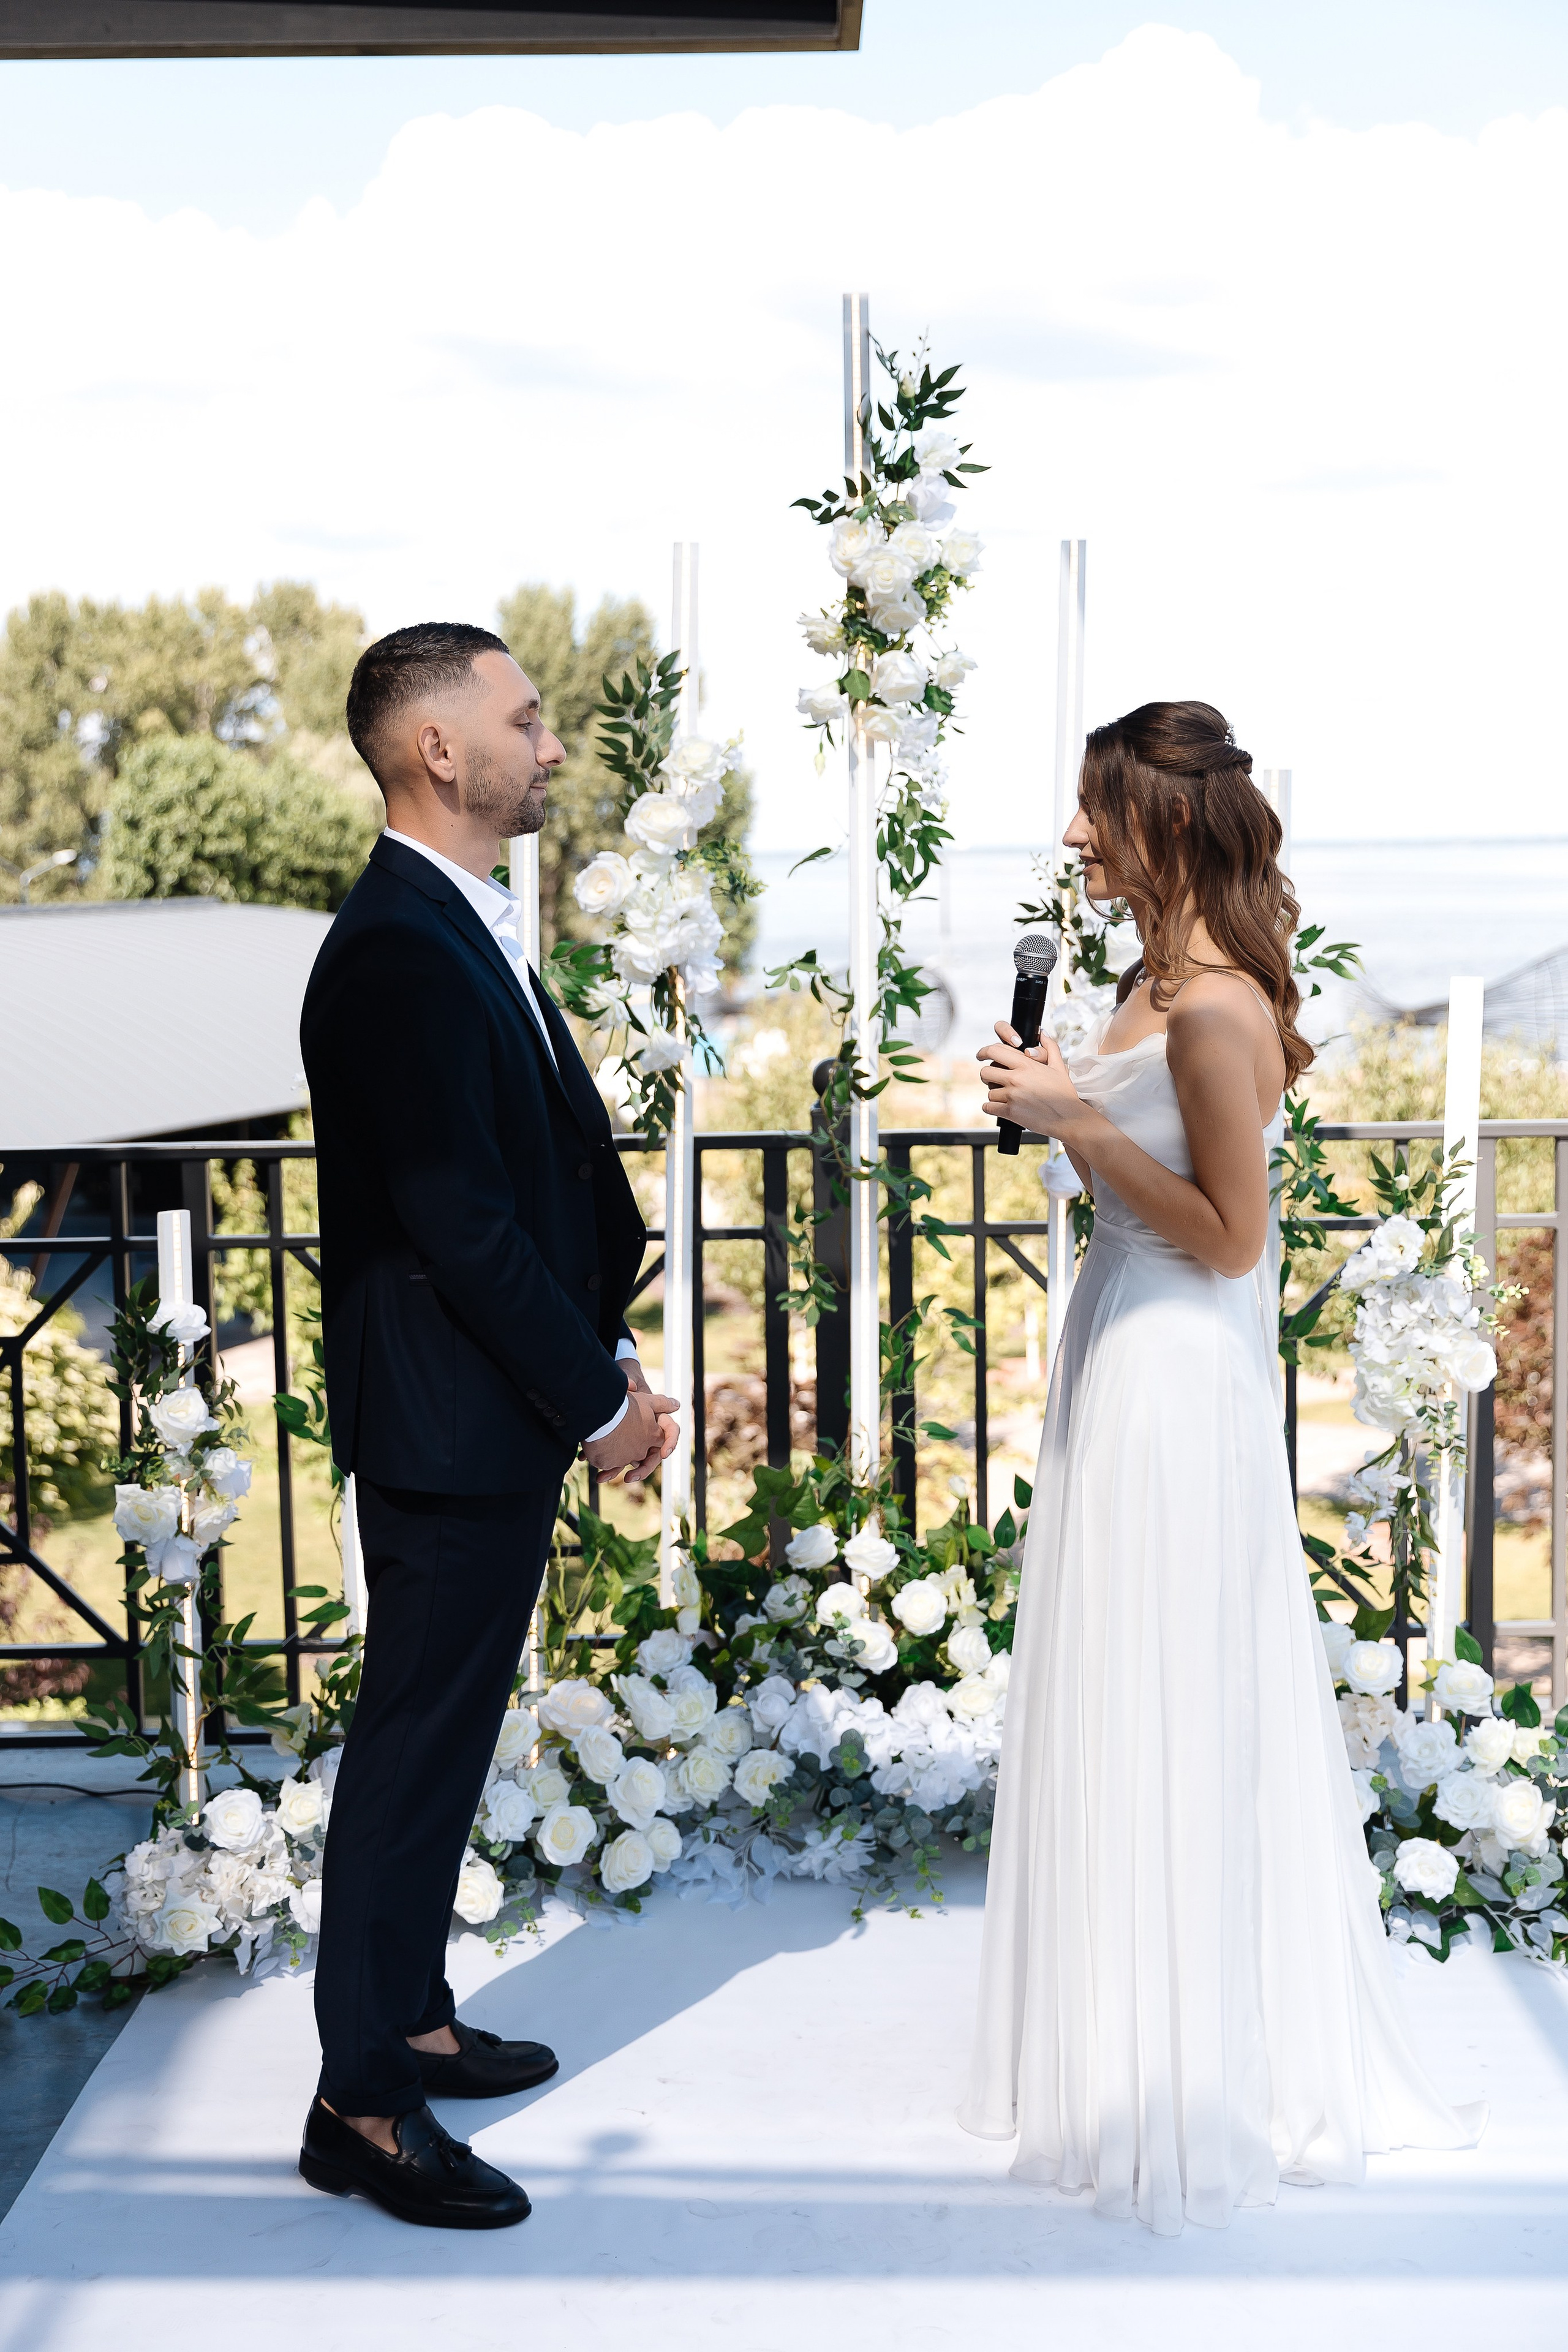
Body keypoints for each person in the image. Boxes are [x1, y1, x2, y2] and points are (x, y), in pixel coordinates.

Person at [962, 701, 1483, 2236]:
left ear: (1162, 823)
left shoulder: (1213, 1011)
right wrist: (1059, 1108)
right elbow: (1149, 1191)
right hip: (1117, 1345)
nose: (1070, 837)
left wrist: (1071, 1119)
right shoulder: (1148, 979)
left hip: (1177, 1370)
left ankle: (1185, 2057)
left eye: (1090, 810)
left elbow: (1230, 1238)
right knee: (1123, 1681)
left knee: (1172, 1685)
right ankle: (1126, 2026)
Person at [296, 622, 677, 2230]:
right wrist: (598, 1401)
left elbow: (529, 1176)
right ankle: (360, 2108)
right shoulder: (393, 945)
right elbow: (457, 1218)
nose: (554, 742)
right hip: (455, 1418)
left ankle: (416, 2016)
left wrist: (598, 1342)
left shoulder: (456, 920)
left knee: (445, 1737)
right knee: (408, 1749)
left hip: (489, 1402)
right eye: (526, 719)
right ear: (439, 750)